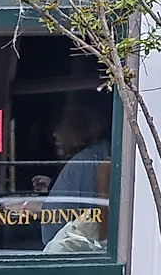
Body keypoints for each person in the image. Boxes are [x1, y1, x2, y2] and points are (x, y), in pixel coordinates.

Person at [38, 100, 112, 248]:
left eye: (60, 126)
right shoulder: (107, 152)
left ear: (79, 129)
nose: (54, 134)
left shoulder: (81, 164)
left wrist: (25, 208)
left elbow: (54, 223)